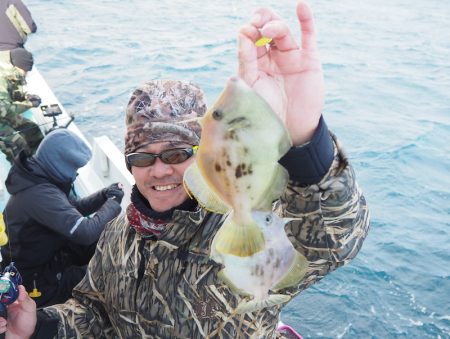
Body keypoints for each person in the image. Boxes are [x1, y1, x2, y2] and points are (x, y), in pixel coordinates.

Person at [1, 2, 370, 338]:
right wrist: (41, 326)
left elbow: (332, 240)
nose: (159, 170)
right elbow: (94, 311)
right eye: (142, 157)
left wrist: (304, 136)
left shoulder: (247, 229)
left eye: (177, 154)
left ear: (206, 153)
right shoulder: (119, 233)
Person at [0, 128, 124, 308]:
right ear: (60, 165)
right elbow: (85, 232)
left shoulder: (39, 178)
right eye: (74, 168)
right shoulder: (39, 195)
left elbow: (75, 208)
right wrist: (113, 204)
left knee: (108, 242)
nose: (76, 174)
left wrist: (104, 195)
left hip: (51, 256)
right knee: (109, 272)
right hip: (36, 281)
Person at [0, 47, 44, 163]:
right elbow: (4, 110)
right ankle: (21, 172)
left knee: (31, 128)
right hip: (1, 113)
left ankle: (38, 161)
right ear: (19, 67)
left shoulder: (7, 72)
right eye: (26, 70)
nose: (26, 74)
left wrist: (25, 97)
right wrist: (29, 104)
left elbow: (7, 94)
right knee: (17, 144)